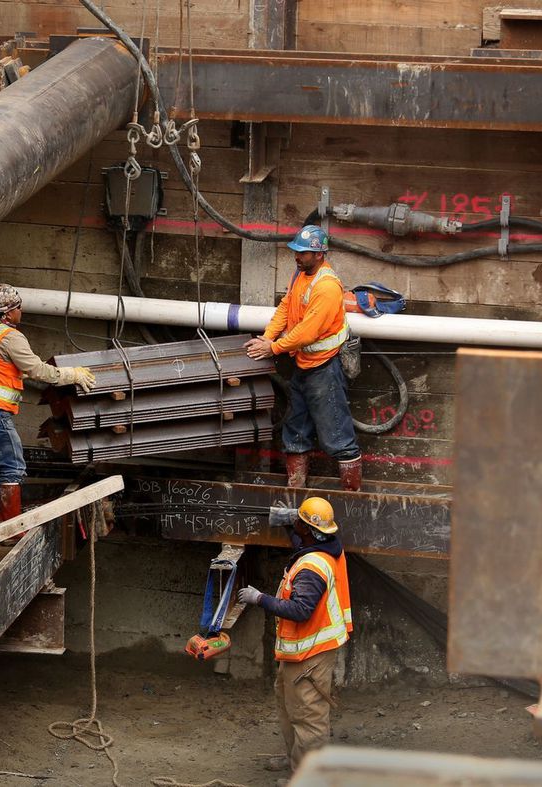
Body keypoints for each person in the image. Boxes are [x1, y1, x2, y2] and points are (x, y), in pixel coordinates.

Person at [0, 284, 97, 527]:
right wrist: (71, 375)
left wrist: (17, 374)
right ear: (7, 313)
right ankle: (11, 530)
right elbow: (37, 369)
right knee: (12, 466)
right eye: (18, 307)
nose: (21, 311)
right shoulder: (10, 336)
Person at [238, 496, 353, 773]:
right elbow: (303, 543)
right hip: (303, 649)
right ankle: (295, 760)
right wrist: (290, 526)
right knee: (289, 703)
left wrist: (259, 599)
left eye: (299, 521)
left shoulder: (312, 569)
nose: (295, 522)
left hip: (312, 651)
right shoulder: (325, 544)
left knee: (308, 715)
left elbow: (301, 610)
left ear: (309, 529)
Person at [244, 225, 362, 491]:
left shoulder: (327, 287)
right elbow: (286, 306)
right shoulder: (300, 274)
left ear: (319, 255)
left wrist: (272, 349)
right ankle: (295, 488)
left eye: (303, 252)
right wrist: (267, 337)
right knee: (296, 430)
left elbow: (307, 333)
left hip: (325, 369)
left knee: (338, 436)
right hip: (304, 367)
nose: (296, 256)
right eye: (296, 251)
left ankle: (353, 497)